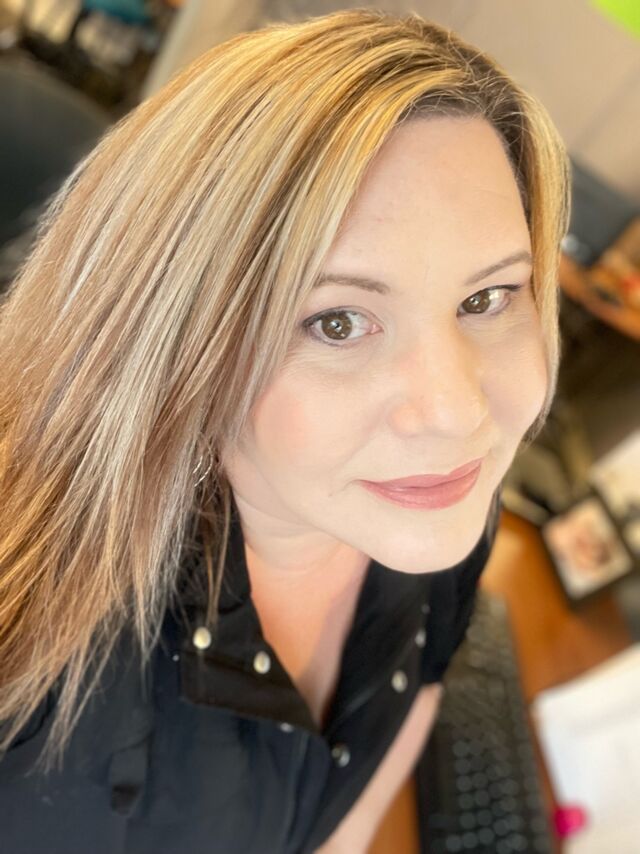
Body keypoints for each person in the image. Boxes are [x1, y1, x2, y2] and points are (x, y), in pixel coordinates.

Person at [0, 8, 570, 853]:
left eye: (487, 298)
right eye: (337, 322)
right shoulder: (38, 697)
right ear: (175, 340)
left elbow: (418, 688)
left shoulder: (436, 507)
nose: (459, 414)